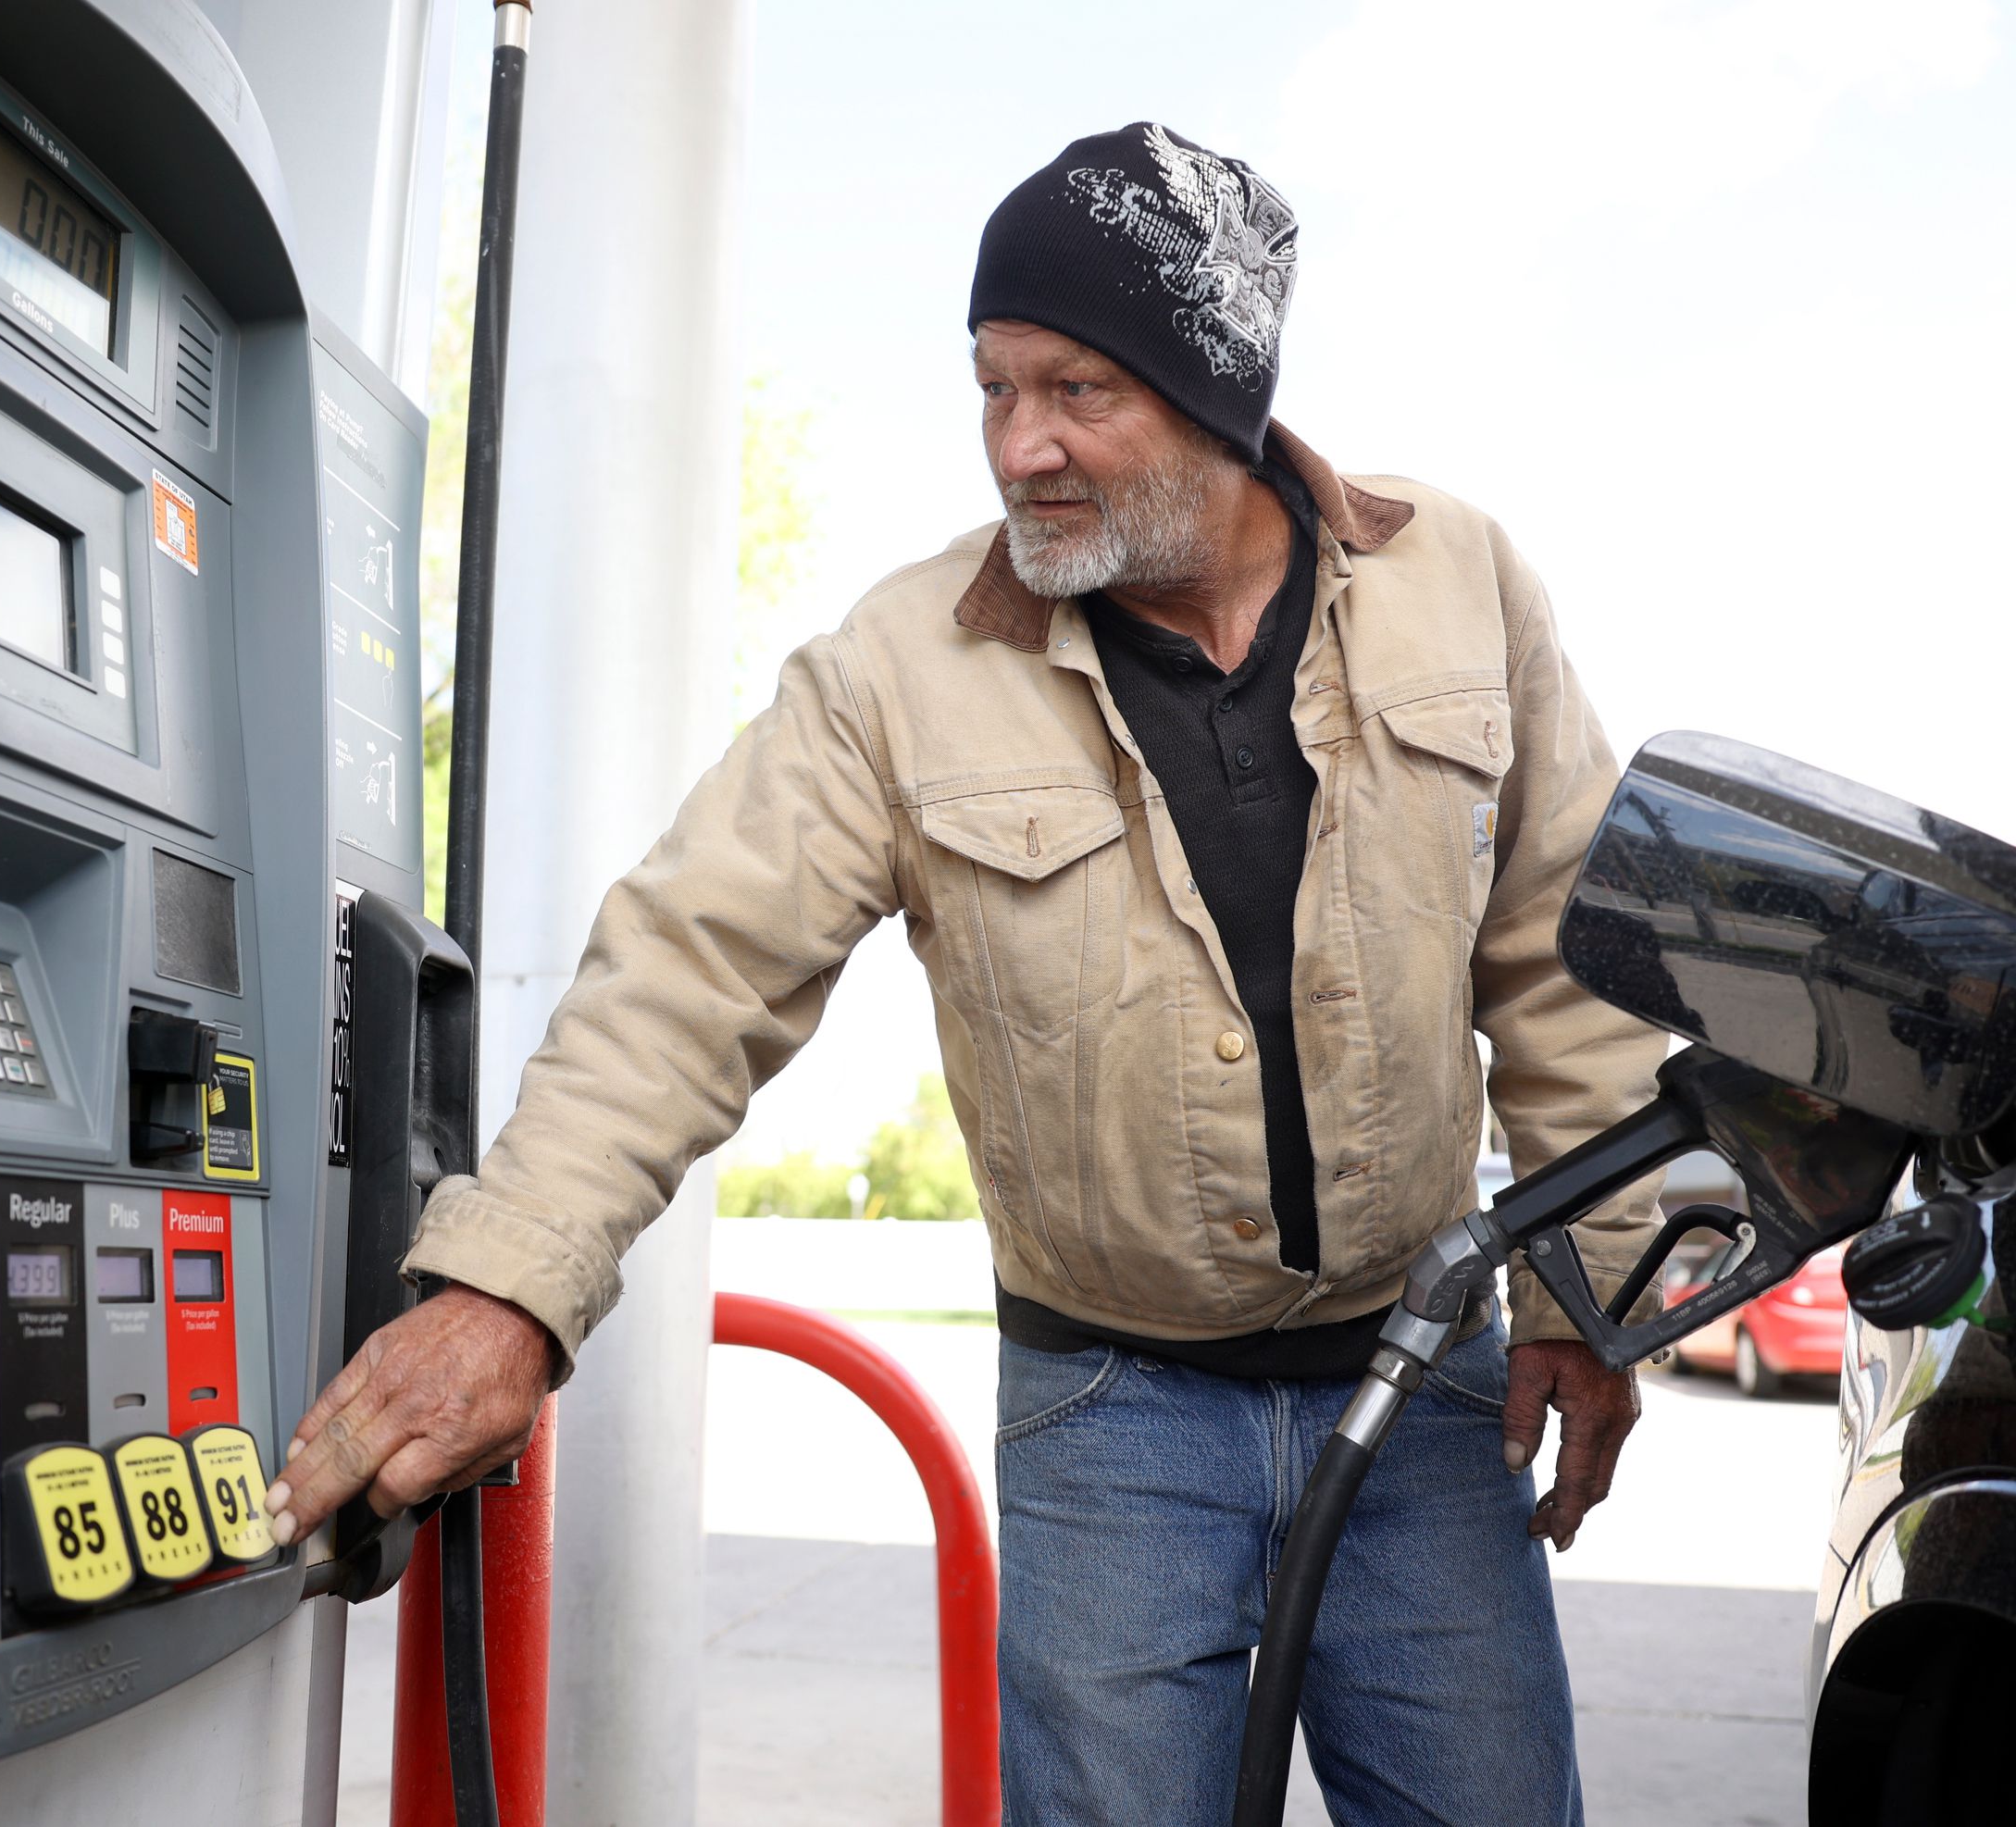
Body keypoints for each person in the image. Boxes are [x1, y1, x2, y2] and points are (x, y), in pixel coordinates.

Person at [264, 121, 1664, 1823]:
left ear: (1217, 394)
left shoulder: (1460, 578)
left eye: (1078, 391)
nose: (1022, 446)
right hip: (1112, 1410)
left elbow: (1570, 959)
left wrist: (1596, 1300)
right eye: (995, 388)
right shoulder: (893, 672)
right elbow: (686, 969)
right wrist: (507, 1283)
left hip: (1426, 1377)